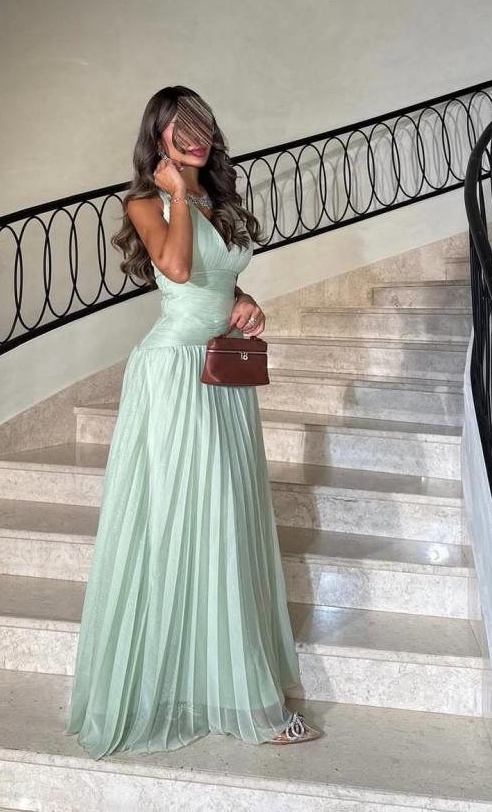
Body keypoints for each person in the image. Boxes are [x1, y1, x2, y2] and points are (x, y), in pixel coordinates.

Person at [63, 86, 322, 757]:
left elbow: (212, 277)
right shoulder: (146, 202)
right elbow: (176, 267)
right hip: (174, 371)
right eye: (180, 130)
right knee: (197, 516)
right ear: (158, 138)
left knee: (226, 518)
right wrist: (176, 192)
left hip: (220, 371)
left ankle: (224, 680)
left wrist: (243, 299)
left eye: (201, 126)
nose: (196, 138)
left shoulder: (217, 197)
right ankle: (244, 702)